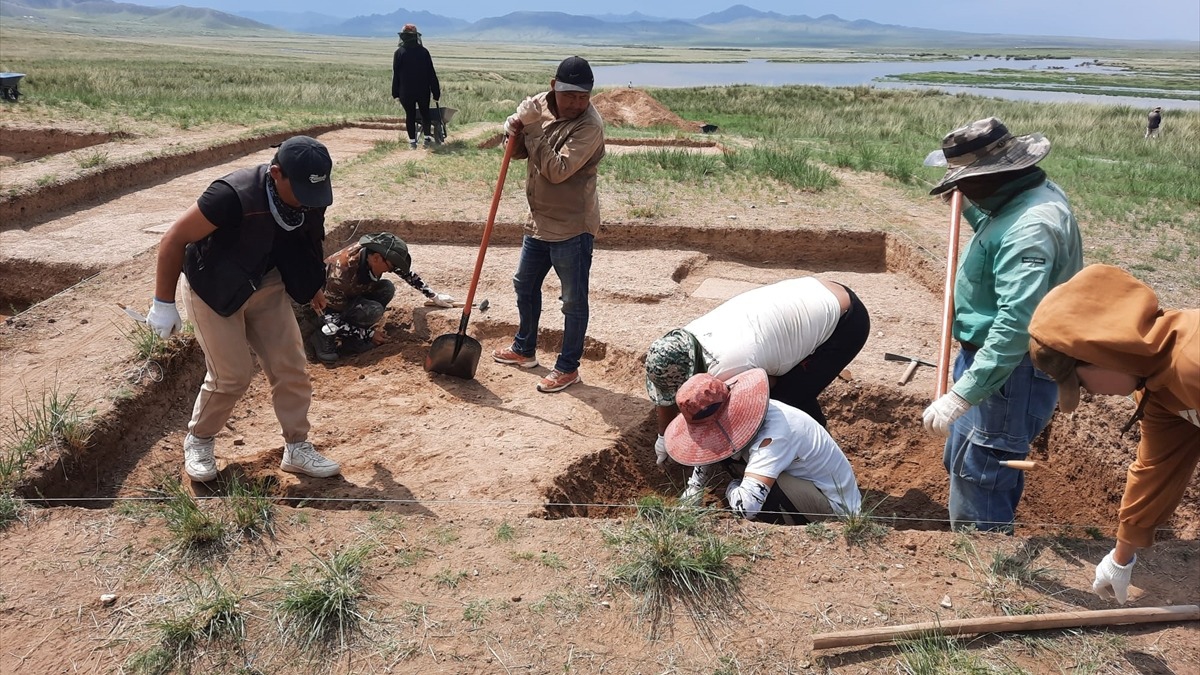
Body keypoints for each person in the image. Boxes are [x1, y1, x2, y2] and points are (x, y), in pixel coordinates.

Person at [145, 136, 341, 482]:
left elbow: (309, 241)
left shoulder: (310, 197)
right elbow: (174, 238)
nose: (308, 202)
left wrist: (312, 287)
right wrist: (163, 303)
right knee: (232, 375)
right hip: (214, 289)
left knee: (291, 366)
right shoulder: (232, 196)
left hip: (265, 283)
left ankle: (297, 447)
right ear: (277, 173)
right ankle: (200, 440)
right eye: (299, 191)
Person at [920, 117, 1083, 532]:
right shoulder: (1020, 199)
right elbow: (998, 236)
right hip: (988, 360)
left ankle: (985, 566)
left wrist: (962, 395)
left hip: (1012, 372)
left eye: (967, 181)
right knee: (961, 459)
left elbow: (1015, 325)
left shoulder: (1031, 228)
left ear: (994, 176)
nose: (960, 188)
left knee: (983, 472)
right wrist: (975, 211)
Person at [1028, 264, 1198, 604]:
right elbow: (1155, 470)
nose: (1089, 393)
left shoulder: (1192, 362)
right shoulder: (1157, 387)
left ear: (1103, 358)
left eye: (1080, 383)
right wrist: (1121, 559)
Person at [644, 277, 870, 465]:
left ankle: (822, 461)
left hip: (844, 322)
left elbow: (765, 387)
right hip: (816, 289)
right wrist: (664, 437)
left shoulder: (729, 366)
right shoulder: (681, 342)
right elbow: (668, 390)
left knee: (789, 398)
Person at [491, 56, 606, 393]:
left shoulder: (590, 126)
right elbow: (520, 152)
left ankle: (568, 368)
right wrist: (512, 130)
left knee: (572, 301)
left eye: (583, 97)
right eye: (570, 95)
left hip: (573, 225)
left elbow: (556, 171)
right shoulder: (538, 105)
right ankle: (524, 349)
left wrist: (532, 129)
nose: (576, 103)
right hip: (539, 219)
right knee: (524, 284)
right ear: (555, 86)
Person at [663, 368, 862, 524]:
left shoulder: (775, 435)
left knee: (760, 494)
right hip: (807, 484)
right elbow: (713, 446)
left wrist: (731, 487)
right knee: (733, 461)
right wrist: (694, 488)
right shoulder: (746, 418)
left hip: (836, 510)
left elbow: (746, 507)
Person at [310, 232, 456, 363]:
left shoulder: (374, 254)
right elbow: (331, 316)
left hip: (350, 295)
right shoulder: (341, 273)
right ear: (376, 259)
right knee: (373, 310)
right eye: (391, 267)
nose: (392, 270)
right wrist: (368, 334)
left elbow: (405, 273)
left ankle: (352, 339)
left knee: (387, 288)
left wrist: (433, 295)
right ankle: (324, 336)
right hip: (326, 310)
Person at [392, 23, 441, 149]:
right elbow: (431, 73)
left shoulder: (399, 53)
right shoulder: (424, 52)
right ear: (416, 36)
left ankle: (412, 142)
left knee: (410, 115)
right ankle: (426, 140)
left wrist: (395, 92)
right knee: (425, 113)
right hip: (423, 90)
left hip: (405, 91)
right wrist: (436, 92)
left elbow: (396, 74)